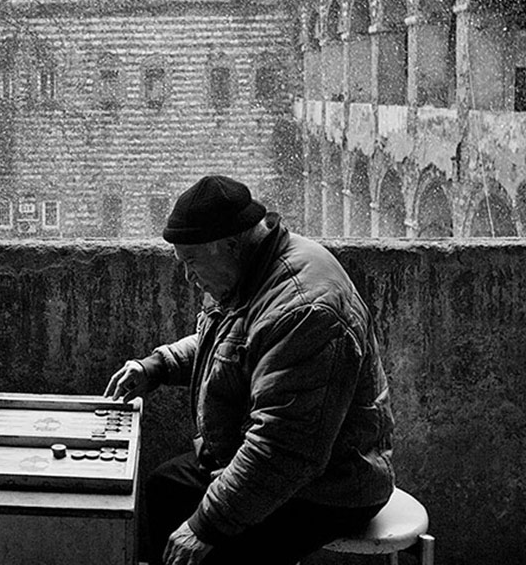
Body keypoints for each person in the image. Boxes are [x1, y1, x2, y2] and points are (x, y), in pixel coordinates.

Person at [104, 175, 395, 565]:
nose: (188, 277)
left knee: (215, 549)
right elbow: (230, 347)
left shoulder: (303, 309)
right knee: (165, 488)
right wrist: (158, 366)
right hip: (272, 458)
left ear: (229, 245)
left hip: (328, 486)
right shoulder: (252, 271)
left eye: (191, 262)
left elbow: (282, 450)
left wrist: (204, 525)